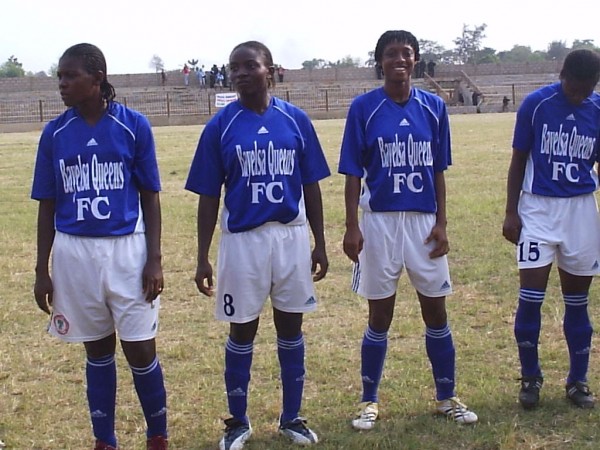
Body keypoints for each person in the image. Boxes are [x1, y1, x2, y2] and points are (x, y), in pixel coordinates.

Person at [185, 40, 329, 450]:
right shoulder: (220, 126)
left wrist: (319, 242)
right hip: (242, 242)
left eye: (250, 65)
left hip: (289, 237)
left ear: (271, 70)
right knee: (242, 329)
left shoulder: (296, 120)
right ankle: (237, 420)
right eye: (235, 68)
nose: (241, 73)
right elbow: (209, 195)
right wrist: (201, 257)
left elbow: (311, 185)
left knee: (291, 327)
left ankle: (292, 416)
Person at [338, 30, 478, 431]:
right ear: (379, 61)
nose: (399, 59)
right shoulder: (363, 108)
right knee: (379, 313)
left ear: (417, 60)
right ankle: (369, 401)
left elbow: (438, 171)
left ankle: (446, 396)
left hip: (422, 222)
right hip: (379, 222)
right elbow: (351, 172)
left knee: (435, 309)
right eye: (391, 53)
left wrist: (443, 223)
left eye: (407, 53)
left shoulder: (434, 107)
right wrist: (351, 226)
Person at [31, 43, 168, 450]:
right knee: (97, 349)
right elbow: (47, 205)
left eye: (70, 76)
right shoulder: (54, 133)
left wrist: (155, 259)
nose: (62, 84)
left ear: (97, 79)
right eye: (59, 76)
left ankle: (157, 436)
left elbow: (151, 196)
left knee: (141, 349)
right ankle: (104, 440)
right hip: (76, 252)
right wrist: (42, 269)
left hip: (127, 250)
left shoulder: (133, 126)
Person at [502, 49, 600, 410]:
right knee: (531, 297)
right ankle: (530, 378)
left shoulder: (597, 109)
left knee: (578, 302)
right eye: (574, 88)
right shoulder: (537, 104)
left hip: (580, 211)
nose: (579, 96)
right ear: (562, 76)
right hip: (538, 207)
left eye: (586, 90)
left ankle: (578, 381)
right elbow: (518, 159)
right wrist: (511, 211)